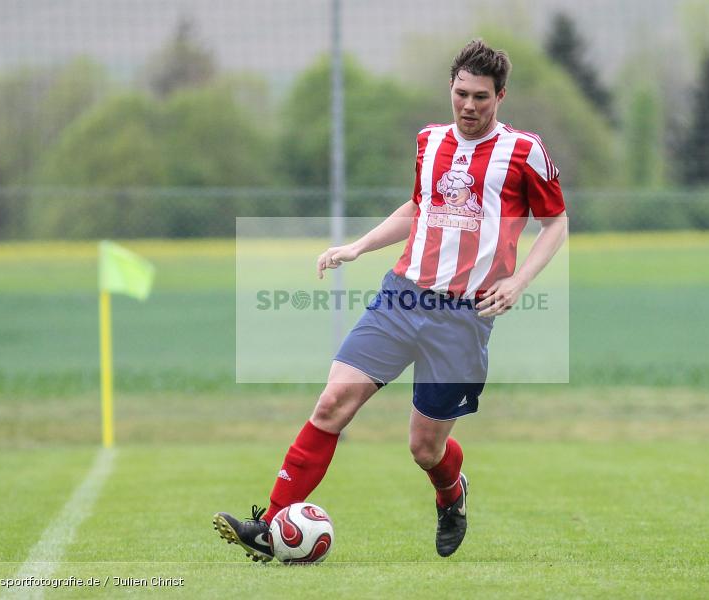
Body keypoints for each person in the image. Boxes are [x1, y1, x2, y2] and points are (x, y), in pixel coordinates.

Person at [214, 39, 568, 561]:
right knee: (333, 402)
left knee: (425, 448)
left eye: (481, 98)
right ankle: (269, 526)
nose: (469, 106)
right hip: (401, 298)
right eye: (461, 93)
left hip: (463, 317)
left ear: (501, 97)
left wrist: (518, 283)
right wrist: (358, 245)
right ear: (450, 88)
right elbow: (418, 207)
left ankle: (452, 495)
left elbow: (556, 221)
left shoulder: (524, 151)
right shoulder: (429, 141)